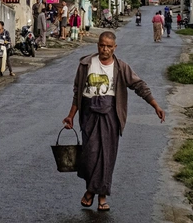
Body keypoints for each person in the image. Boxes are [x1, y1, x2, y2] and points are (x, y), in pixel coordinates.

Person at [63, 31, 165, 212]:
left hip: (110, 114)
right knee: (90, 155)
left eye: (109, 46)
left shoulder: (121, 67)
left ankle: (98, 196)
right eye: (102, 45)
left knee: (107, 157)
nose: (105, 49)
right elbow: (77, 92)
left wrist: (155, 105)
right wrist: (71, 115)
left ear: (114, 48)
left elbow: (139, 86)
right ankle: (92, 190)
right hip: (88, 114)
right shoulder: (85, 64)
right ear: (98, 45)